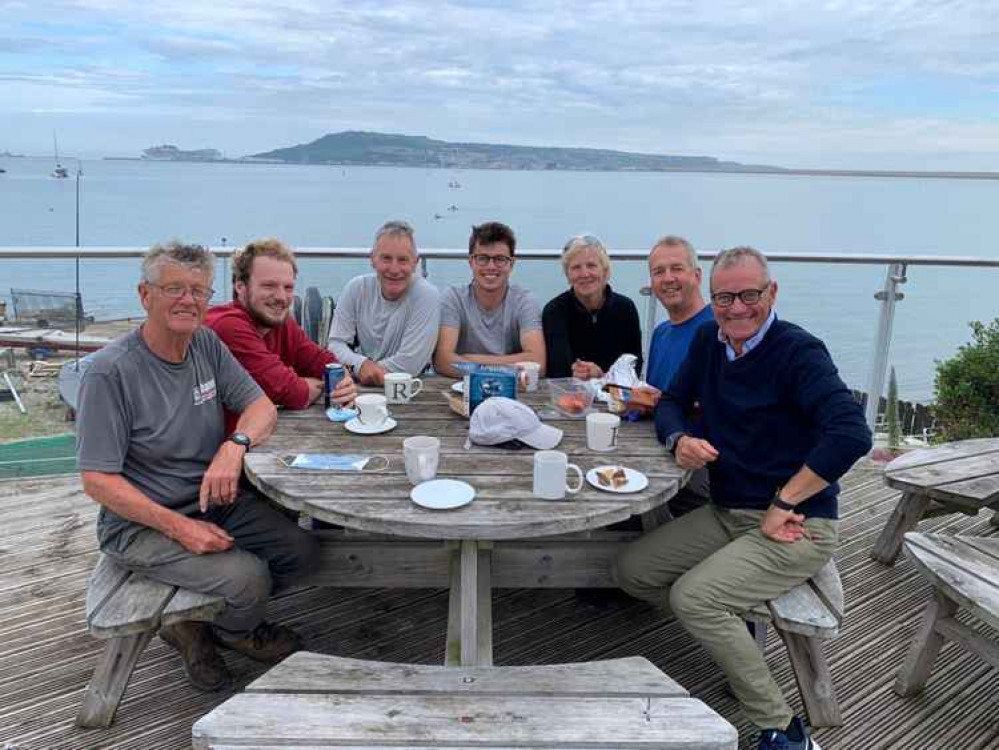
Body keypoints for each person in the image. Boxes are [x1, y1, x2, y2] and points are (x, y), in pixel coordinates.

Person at [616, 246, 871, 750]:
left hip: (798, 524)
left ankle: (784, 729)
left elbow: (851, 434)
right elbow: (669, 401)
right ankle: (727, 628)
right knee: (632, 571)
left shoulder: (799, 351)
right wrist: (679, 440)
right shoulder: (711, 341)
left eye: (749, 295)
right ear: (711, 300)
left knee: (694, 597)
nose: (736, 308)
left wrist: (784, 503)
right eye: (724, 297)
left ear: (771, 293)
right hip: (729, 511)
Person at [76, 241, 320, 693]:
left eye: (198, 291)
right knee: (248, 577)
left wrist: (234, 446)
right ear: (145, 294)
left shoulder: (205, 343)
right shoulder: (110, 373)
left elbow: (260, 406)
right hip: (139, 523)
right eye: (174, 288)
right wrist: (179, 529)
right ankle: (231, 631)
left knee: (303, 552)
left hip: (212, 500)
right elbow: (97, 480)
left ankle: (212, 625)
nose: (188, 300)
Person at [205, 238, 356, 430]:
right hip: (221, 450)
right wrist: (322, 383)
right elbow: (291, 392)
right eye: (269, 286)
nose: (281, 297)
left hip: (259, 439)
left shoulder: (279, 321)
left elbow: (323, 361)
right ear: (240, 287)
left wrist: (343, 381)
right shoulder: (227, 326)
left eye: (288, 287)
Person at [328, 220, 440, 386]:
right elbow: (335, 345)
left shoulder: (427, 295)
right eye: (386, 259)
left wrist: (358, 369)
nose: (394, 269)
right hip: (361, 389)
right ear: (372, 260)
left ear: (415, 263)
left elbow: (409, 365)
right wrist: (361, 366)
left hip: (411, 392)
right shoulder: (357, 288)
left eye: (402, 260)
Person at [434, 221, 545, 377]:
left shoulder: (524, 301)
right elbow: (443, 361)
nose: (491, 266)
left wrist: (471, 360)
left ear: (511, 264)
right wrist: (508, 366)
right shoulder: (454, 298)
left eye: (500, 259)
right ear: (471, 261)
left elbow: (538, 362)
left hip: (511, 392)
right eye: (483, 258)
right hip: (462, 390)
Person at [542, 234, 642, 380]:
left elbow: (634, 366)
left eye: (591, 265)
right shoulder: (555, 311)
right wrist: (579, 373)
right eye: (576, 267)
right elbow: (559, 371)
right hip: (568, 395)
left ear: (605, 271)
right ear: (568, 275)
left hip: (615, 396)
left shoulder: (625, 309)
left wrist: (600, 375)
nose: (584, 274)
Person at [645, 235, 714, 392]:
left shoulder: (718, 329)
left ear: (697, 276)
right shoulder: (660, 334)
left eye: (677, 269)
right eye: (659, 272)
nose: (668, 278)